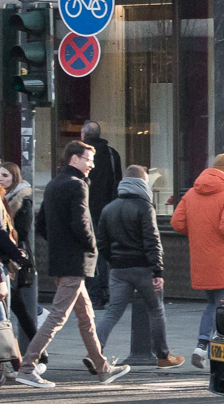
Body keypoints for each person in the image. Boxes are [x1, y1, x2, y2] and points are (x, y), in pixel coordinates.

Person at [16, 141, 130, 388]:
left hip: (61, 259)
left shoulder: (54, 184)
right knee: (57, 316)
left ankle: (103, 368)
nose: (92, 164)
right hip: (75, 263)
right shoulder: (77, 185)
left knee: (87, 317)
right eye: (88, 159)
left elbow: (42, 223)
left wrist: (61, 245)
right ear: (74, 159)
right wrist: (92, 247)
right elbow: (81, 223)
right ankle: (27, 367)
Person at [94, 165, 183, 368]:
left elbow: (102, 243)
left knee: (113, 312)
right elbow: (152, 240)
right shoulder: (144, 207)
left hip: (118, 270)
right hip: (143, 269)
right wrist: (158, 270)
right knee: (156, 310)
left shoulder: (109, 208)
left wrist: (114, 260)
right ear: (142, 184)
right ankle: (163, 356)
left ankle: (94, 353)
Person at [171, 154, 224, 369]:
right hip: (222, 258)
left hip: (200, 257)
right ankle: (212, 351)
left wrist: (198, 233)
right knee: (222, 307)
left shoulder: (192, 193)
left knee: (212, 304)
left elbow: (176, 222)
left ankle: (205, 346)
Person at [81, 121, 124, 308]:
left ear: (84, 135)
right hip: (109, 209)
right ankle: (109, 290)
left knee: (92, 251)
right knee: (106, 251)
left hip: (87, 209)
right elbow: (118, 182)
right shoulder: (112, 154)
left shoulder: (80, 156)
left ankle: (97, 293)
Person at [0, 161, 39, 354]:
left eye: (5, 175)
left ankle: (34, 352)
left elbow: (21, 232)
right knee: (15, 308)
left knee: (16, 308)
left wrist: (15, 255)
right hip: (7, 259)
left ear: (14, 178)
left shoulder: (22, 200)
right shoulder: (2, 200)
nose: (1, 179)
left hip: (13, 260)